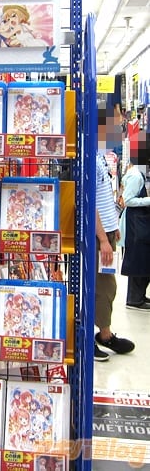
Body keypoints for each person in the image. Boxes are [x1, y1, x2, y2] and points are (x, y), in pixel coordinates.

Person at [94, 108, 135, 361]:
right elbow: (89, 202)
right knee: (102, 286)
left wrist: (114, 225)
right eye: (115, 127)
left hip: (107, 231)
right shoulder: (89, 156)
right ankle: (99, 336)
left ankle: (104, 333)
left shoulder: (101, 156)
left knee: (107, 284)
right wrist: (102, 239)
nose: (119, 132)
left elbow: (103, 196)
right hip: (99, 237)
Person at [118, 161, 150, 309]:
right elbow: (128, 200)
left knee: (142, 260)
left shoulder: (138, 174)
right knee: (138, 260)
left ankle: (139, 296)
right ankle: (134, 299)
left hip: (140, 224)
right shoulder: (136, 176)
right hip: (136, 225)